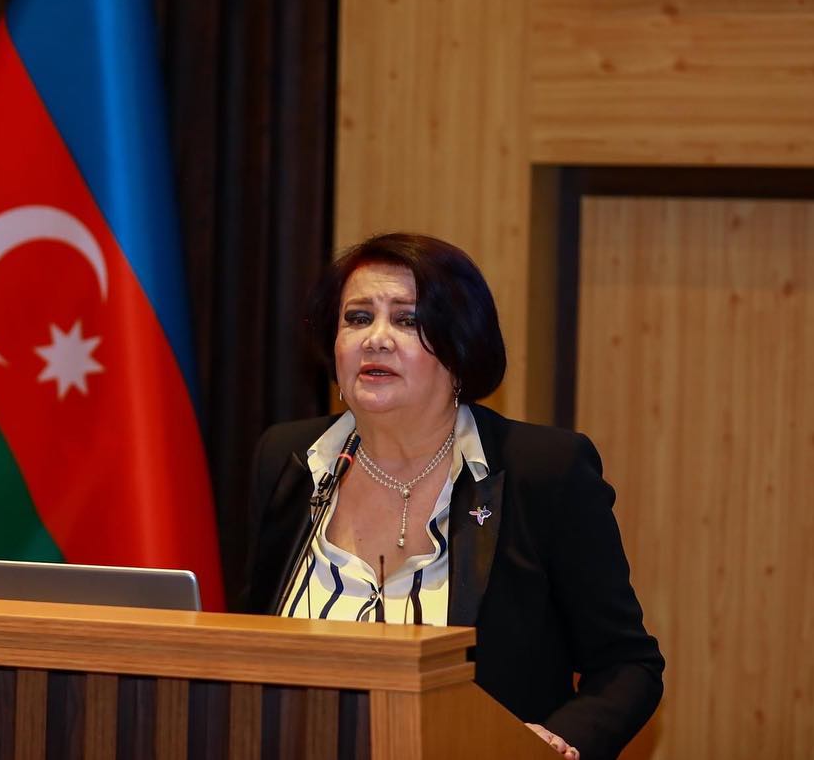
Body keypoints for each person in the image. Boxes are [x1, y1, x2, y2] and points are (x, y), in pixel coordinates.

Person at [241, 233, 663, 760]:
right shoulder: (291, 460)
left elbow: (627, 666)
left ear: (461, 347)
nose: (376, 339)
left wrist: (553, 743)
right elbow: (250, 641)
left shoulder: (542, 471)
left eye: (407, 320)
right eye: (357, 318)